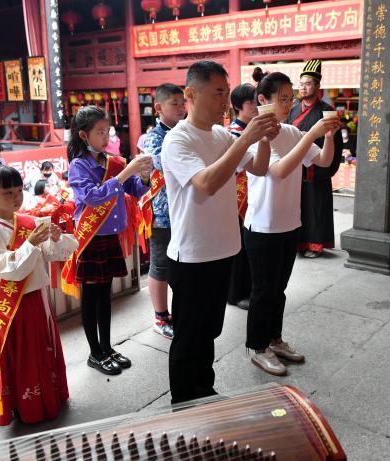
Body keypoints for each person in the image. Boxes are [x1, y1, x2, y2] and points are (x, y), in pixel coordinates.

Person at [160, 60, 278, 404]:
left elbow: (258, 167)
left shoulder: (222, 135)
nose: (225, 102)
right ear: (190, 94)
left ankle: (205, 393)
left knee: (210, 331)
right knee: (188, 336)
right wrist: (246, 140)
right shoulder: (177, 140)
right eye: (218, 94)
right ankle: (183, 405)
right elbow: (207, 183)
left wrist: (265, 138)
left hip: (223, 250)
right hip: (192, 255)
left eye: (227, 94)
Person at [245, 68, 339, 376]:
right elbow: (279, 171)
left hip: (289, 222)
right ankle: (258, 348)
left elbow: (323, 161)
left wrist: (328, 136)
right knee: (263, 290)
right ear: (263, 100)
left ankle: (275, 339)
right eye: (282, 99)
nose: (288, 104)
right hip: (262, 225)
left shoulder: (292, 133)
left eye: (290, 98)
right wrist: (312, 134)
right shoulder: (257, 134)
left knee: (279, 288)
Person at [0, 164, 78, 426]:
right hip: (15, 304)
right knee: (23, 355)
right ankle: (27, 406)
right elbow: (4, 267)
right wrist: (32, 243)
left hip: (36, 297)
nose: (16, 198)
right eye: (7, 194)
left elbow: (51, 255)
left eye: (18, 191)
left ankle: (48, 398)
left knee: (40, 350)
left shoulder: (27, 222)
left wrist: (56, 239)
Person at [65, 106, 152, 376]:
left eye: (108, 131)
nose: (106, 137)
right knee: (91, 298)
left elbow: (134, 190)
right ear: (83, 135)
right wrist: (126, 173)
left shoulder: (111, 162)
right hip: (91, 238)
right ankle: (95, 353)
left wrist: (145, 174)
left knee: (105, 297)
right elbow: (93, 197)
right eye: (100, 132)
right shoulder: (79, 165)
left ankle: (107, 347)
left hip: (109, 235)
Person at [143, 83, 186, 340]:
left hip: (184, 211)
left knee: (180, 264)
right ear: (159, 108)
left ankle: (178, 312)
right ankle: (160, 316)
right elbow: (162, 161)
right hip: (162, 214)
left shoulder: (184, 130)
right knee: (160, 265)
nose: (181, 107)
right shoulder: (153, 136)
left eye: (183, 102)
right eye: (175, 103)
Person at [287, 60, 340, 258]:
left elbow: (333, 141)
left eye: (308, 83)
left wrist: (326, 169)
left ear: (318, 87)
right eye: (301, 84)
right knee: (297, 207)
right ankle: (298, 242)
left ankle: (315, 244)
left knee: (315, 207)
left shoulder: (326, 110)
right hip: (294, 166)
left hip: (316, 168)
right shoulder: (293, 110)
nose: (303, 87)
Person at [226, 83, 258, 310]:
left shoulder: (255, 131)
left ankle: (248, 288)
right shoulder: (231, 133)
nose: (256, 106)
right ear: (238, 106)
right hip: (237, 198)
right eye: (252, 102)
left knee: (250, 245)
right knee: (239, 246)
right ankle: (236, 293)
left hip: (254, 194)